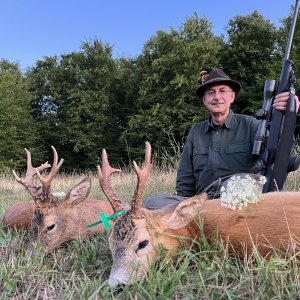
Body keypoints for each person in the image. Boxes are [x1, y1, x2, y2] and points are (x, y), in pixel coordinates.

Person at [145, 68, 300, 209]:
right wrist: (182, 205)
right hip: (204, 202)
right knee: (153, 203)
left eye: (223, 91)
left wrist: (287, 116)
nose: (217, 97)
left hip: (239, 196)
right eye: (211, 93)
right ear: (204, 100)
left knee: (238, 185)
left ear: (232, 96)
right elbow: (185, 179)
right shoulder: (196, 131)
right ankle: (204, 218)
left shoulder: (251, 124)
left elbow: (280, 153)